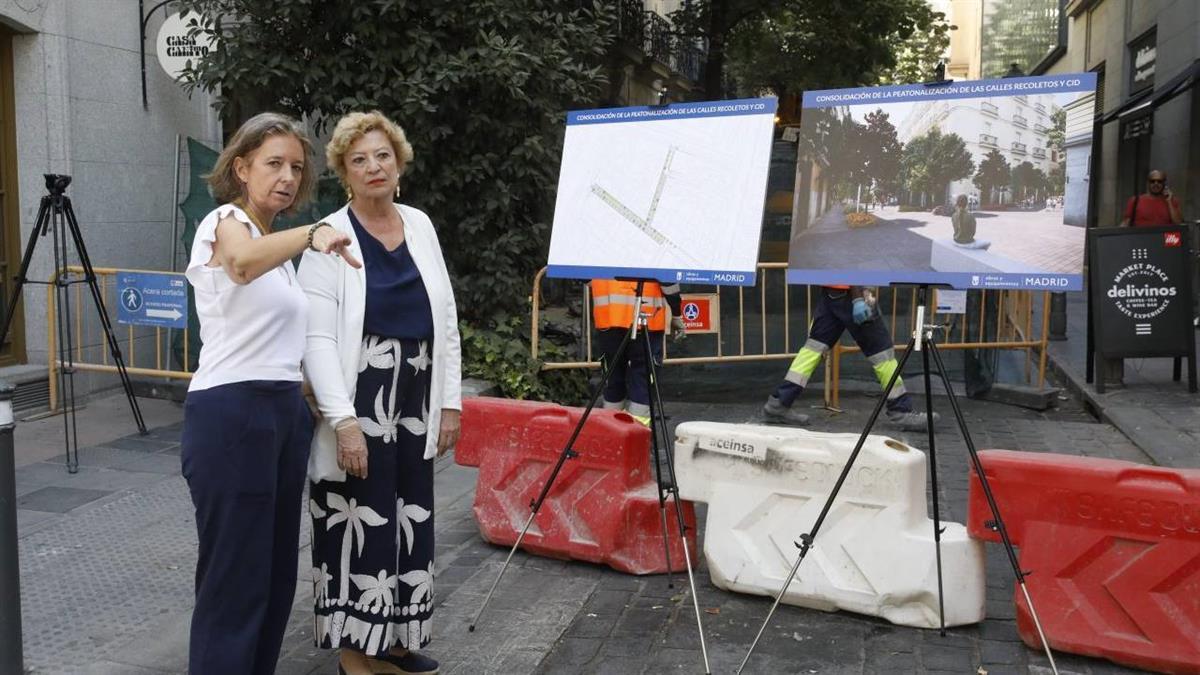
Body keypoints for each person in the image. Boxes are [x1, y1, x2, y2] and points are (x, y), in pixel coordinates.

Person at [181, 112, 359, 674]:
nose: (286, 177)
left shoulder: (278, 253)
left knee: (276, 575)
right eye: (273, 164)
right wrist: (311, 234)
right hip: (232, 411)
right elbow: (238, 265)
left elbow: (286, 338)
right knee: (234, 578)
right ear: (241, 167)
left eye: (296, 168)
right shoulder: (225, 221)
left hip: (282, 412)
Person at [300, 111, 462, 675]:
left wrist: (449, 401)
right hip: (360, 392)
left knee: (409, 516)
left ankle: (395, 643)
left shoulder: (419, 223)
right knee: (356, 519)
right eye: (359, 159)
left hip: (416, 392)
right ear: (344, 171)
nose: (374, 167)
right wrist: (343, 421)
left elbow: (444, 313)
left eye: (382, 156)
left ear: (400, 163)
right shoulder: (327, 237)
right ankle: (353, 655)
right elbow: (316, 339)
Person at [763, 285, 938, 431]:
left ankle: (779, 403)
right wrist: (857, 298)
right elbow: (849, 256)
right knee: (882, 353)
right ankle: (900, 410)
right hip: (851, 293)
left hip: (831, 292)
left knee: (812, 350)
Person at [590, 279, 684, 425]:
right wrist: (677, 313)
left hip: (608, 319)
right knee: (643, 377)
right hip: (646, 320)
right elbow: (667, 282)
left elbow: (583, 275)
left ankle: (611, 432)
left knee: (612, 377)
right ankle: (637, 435)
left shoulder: (597, 254)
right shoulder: (653, 254)